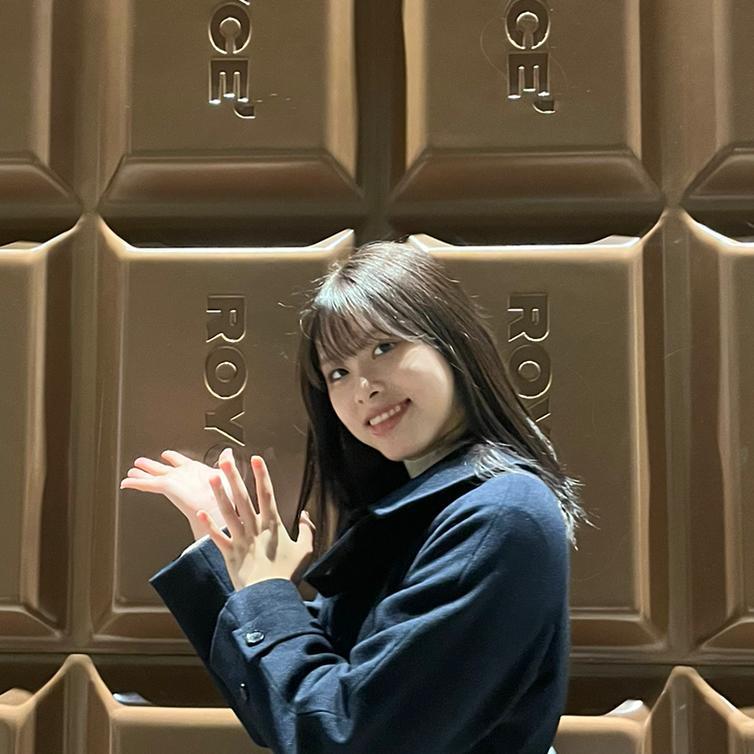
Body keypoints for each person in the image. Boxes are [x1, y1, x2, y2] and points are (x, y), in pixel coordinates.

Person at [121, 240, 595, 753]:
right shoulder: (422, 512)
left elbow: (342, 734)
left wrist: (263, 590)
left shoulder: (500, 515)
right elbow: (293, 711)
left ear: (450, 343)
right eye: (338, 372)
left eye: (384, 347)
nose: (363, 387)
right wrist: (231, 554)